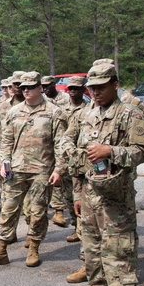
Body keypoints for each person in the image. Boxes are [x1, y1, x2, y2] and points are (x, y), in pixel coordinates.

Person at [63, 61, 144, 286]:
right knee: (92, 247)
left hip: (116, 195)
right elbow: (66, 140)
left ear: (115, 84)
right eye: (92, 88)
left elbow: (140, 152)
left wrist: (110, 152)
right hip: (89, 191)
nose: (96, 92)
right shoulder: (84, 113)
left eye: (101, 87)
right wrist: (77, 192)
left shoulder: (130, 113)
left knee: (119, 250)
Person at [0, 72, 68, 269]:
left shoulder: (54, 112)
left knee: (37, 212)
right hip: (16, 169)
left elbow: (61, 144)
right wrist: (4, 162)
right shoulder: (14, 112)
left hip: (42, 170)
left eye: (30, 87)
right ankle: (1, 250)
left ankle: (33, 248)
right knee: (8, 209)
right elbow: (6, 140)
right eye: (23, 87)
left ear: (40, 88)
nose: (25, 90)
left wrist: (59, 169)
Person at [51, 76, 88, 233]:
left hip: (83, 159)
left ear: (83, 90)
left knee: (83, 198)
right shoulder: (61, 109)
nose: (72, 92)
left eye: (76, 89)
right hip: (65, 158)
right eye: (70, 89)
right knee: (68, 196)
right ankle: (76, 228)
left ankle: (84, 231)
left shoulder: (89, 109)